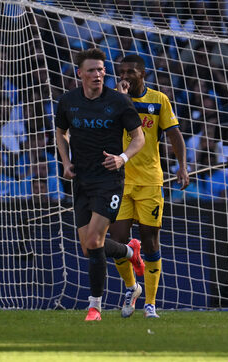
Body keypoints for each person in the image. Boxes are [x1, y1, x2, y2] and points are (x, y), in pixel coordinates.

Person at [54, 48, 146, 321]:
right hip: (82, 179)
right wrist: (65, 161)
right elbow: (60, 132)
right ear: (80, 73)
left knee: (94, 240)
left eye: (102, 69)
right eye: (92, 70)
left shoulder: (118, 101)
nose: (98, 74)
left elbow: (138, 138)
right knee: (87, 247)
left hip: (109, 180)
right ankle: (130, 250)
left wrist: (122, 157)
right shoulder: (68, 101)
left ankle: (95, 306)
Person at [109, 54, 189, 319]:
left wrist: (183, 166)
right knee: (117, 240)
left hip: (150, 181)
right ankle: (132, 287)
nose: (125, 76)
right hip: (119, 180)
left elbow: (174, 135)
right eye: (121, 72)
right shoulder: (113, 98)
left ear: (143, 74)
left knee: (151, 241)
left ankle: (151, 304)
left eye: (130, 71)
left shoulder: (159, 100)